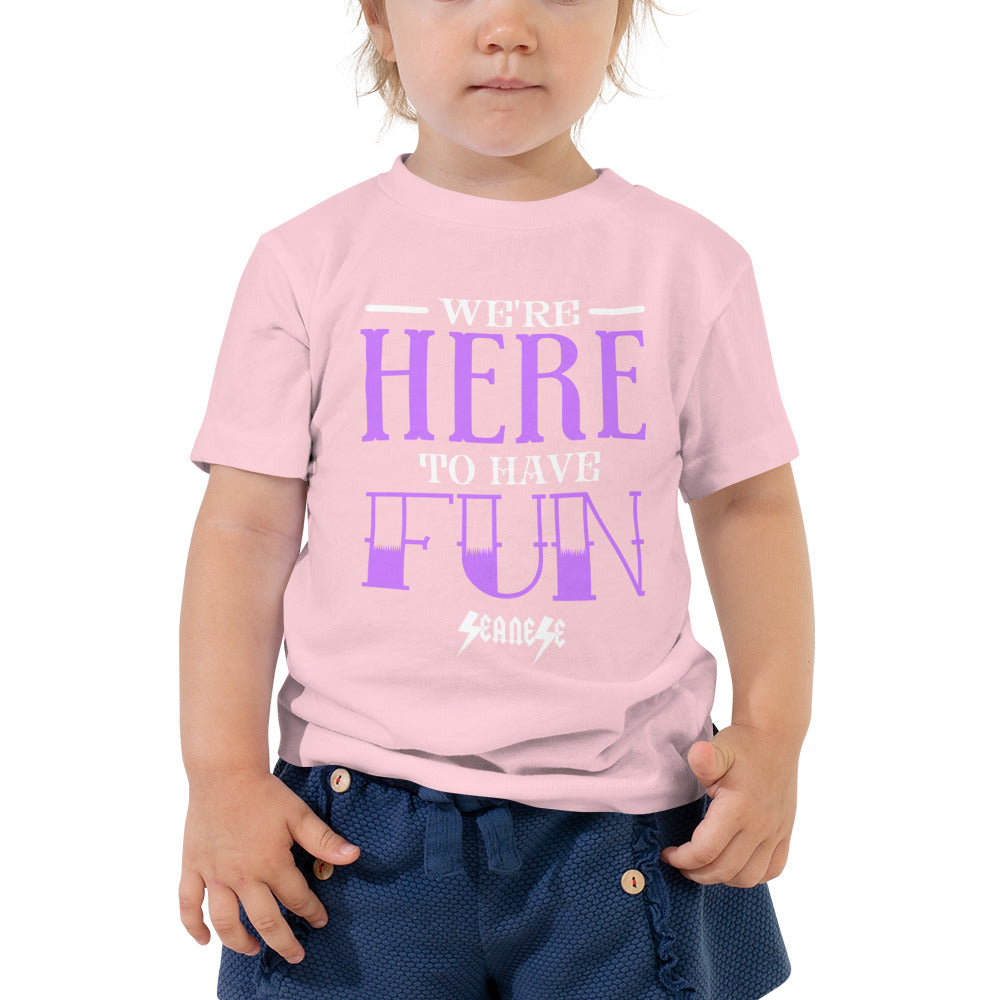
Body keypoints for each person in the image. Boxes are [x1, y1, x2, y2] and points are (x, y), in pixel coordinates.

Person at [178, 0, 814, 997]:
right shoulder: (307, 262)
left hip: (627, 826)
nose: (508, 28)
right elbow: (246, 529)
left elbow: (749, 507)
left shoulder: (690, 265)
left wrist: (773, 735)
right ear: (379, 16)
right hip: (351, 834)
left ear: (621, 14)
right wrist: (221, 775)